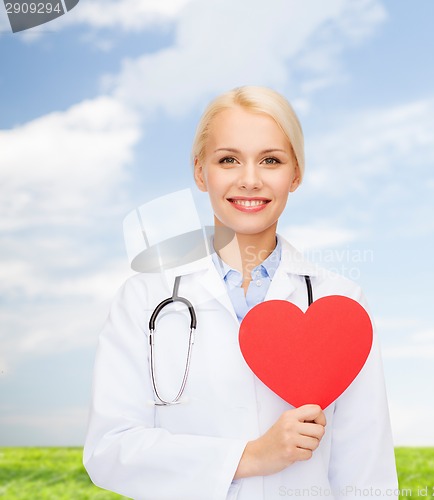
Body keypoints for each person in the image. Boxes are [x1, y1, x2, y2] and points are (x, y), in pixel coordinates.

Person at [83, 86, 398, 499]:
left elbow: (366, 472)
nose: (250, 180)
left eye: (271, 160)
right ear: (200, 172)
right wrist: (250, 456)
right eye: (228, 160)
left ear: (296, 174)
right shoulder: (144, 299)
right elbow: (111, 450)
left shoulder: (340, 302)